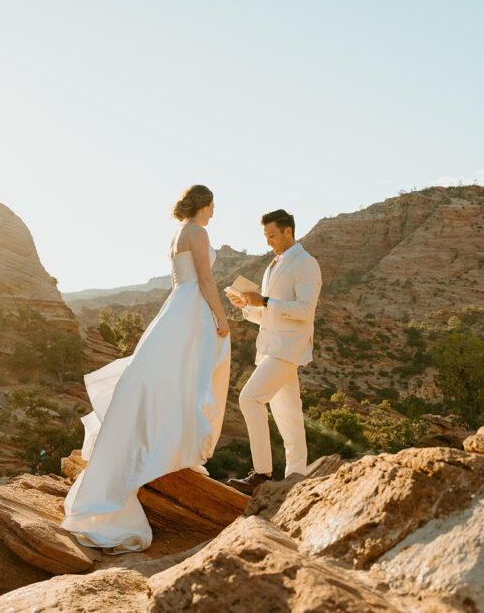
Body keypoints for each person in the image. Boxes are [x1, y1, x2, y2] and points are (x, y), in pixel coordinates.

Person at [61, 185, 232, 553]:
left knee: (170, 378)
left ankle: (170, 451)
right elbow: (204, 279)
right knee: (187, 378)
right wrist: (221, 316)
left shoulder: (177, 234)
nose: (215, 212)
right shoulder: (198, 232)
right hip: (192, 308)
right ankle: (171, 450)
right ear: (205, 206)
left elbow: (181, 280)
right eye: (214, 206)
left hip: (176, 306)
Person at [226, 209, 321, 493]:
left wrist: (264, 300)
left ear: (288, 231)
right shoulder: (274, 265)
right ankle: (296, 479)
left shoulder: (306, 263)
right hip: (270, 348)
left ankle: (262, 474)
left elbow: (305, 310)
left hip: (287, 348)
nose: (268, 241)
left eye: (271, 235)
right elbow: (270, 314)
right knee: (290, 419)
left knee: (249, 399)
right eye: (265, 235)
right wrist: (246, 306)